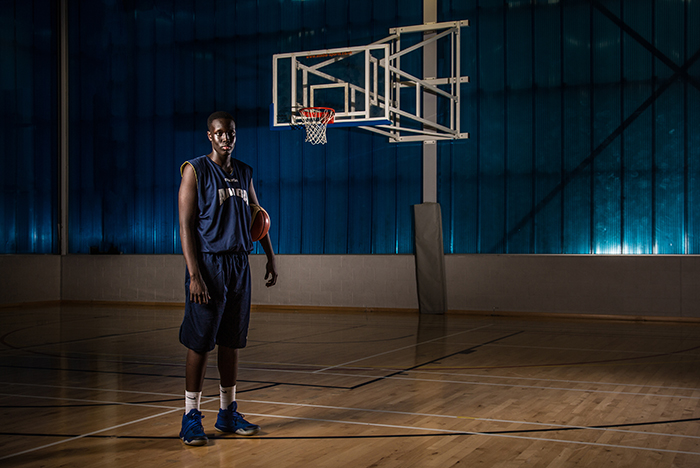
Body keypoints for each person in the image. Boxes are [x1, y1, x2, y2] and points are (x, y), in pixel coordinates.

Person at [177, 111, 277, 446]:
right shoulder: (195, 170)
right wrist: (194, 275)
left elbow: (258, 216)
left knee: (232, 340)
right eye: (219, 133)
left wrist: (271, 256)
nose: (225, 138)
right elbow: (186, 227)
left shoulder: (244, 172)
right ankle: (191, 415)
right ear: (210, 136)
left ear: (235, 135)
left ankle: (227, 412)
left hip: (238, 263)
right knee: (201, 341)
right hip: (208, 264)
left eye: (230, 133)